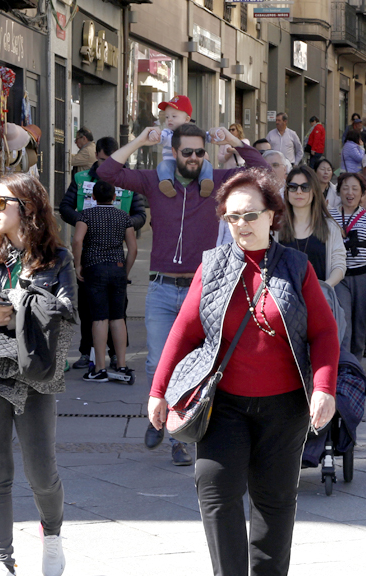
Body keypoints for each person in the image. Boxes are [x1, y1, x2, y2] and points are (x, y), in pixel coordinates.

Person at [147, 168, 339, 576]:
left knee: (275, 504)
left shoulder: (297, 267)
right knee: (216, 493)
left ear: (273, 215)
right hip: (224, 407)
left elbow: (323, 332)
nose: (241, 225)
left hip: (284, 409)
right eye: (232, 217)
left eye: (250, 215)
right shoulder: (212, 266)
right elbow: (183, 331)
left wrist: (324, 387)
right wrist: (158, 390)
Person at [98, 124, 268, 464]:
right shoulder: (153, 182)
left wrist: (233, 141)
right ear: (174, 153)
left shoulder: (218, 181)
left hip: (199, 289)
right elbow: (106, 171)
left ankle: (180, 434)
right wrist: (140, 141)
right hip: (162, 287)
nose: (193, 158)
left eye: (199, 152)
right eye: (187, 151)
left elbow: (259, 169)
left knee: (196, 365)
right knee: (156, 360)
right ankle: (157, 414)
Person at [0, 173, 74, 576]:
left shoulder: (57, 257)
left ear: (29, 208)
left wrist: (24, 300)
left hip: (33, 370)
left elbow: (68, 310)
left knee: (42, 472)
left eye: (2, 203)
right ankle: (1, 560)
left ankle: (52, 535)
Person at [60, 136, 146, 372]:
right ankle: (95, 356)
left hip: (95, 261)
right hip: (107, 260)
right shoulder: (81, 178)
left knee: (115, 312)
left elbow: (140, 214)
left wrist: (109, 222)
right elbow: (66, 206)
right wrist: (85, 221)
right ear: (96, 156)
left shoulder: (129, 180)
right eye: (104, 161)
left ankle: (104, 362)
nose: (108, 167)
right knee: (93, 311)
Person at [73, 180, 138, 382]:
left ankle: (99, 368)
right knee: (118, 317)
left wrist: (77, 264)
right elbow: (133, 248)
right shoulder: (123, 217)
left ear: (93, 197)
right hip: (118, 269)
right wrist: (125, 270)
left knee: (99, 318)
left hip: (95, 269)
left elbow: (77, 240)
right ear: (114, 197)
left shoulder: (86, 215)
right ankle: (122, 364)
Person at [330, 172, 366, 359]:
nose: (350, 192)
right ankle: (345, 362)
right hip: (339, 276)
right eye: (345, 187)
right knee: (343, 319)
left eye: (355, 189)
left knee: (361, 321)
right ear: (339, 191)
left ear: (363, 194)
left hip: (364, 276)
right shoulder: (329, 216)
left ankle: (356, 363)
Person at [279, 166, 347, 288]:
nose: (299, 191)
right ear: (287, 192)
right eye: (293, 187)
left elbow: (339, 264)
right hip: (287, 299)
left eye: (305, 187)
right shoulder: (276, 229)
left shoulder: (330, 227)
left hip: (320, 298)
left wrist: (325, 286)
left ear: (314, 190)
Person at [156, 95, 215, 198]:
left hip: (189, 164)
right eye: (167, 117)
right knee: (162, 166)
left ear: (187, 119)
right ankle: (167, 183)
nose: (169, 120)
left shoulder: (193, 132)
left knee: (206, 164)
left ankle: (205, 182)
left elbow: (207, 136)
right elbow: (160, 138)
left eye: (174, 116)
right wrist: (154, 135)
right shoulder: (167, 133)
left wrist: (217, 134)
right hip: (171, 162)